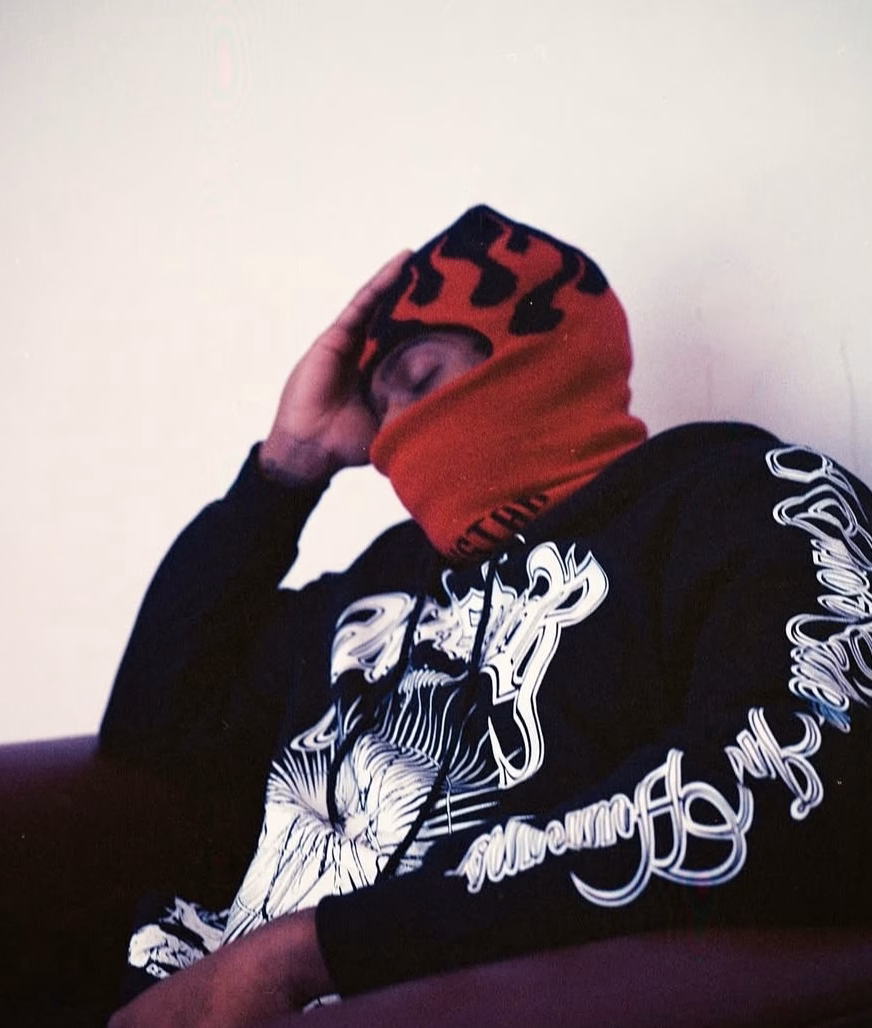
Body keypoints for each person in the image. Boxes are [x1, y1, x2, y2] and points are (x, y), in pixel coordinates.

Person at [100, 205, 872, 1027]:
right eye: (379, 408)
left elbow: (811, 784)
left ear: (539, 346)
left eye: (420, 379)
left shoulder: (740, 497)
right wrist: (287, 469)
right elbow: (156, 725)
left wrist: (311, 952)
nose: (396, 435)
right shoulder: (385, 578)